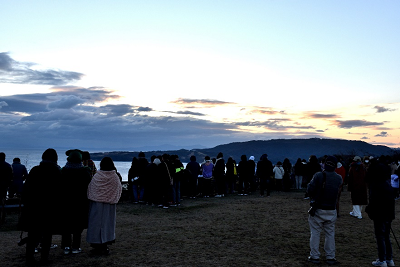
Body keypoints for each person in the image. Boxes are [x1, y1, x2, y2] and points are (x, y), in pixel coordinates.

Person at [21, 148, 62, 266]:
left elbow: (26, 189)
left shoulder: (35, 170)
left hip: (33, 207)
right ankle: (44, 258)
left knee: (33, 234)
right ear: (55, 159)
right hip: (50, 208)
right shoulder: (57, 172)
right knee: (47, 234)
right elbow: (60, 192)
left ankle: (29, 257)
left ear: (43, 158)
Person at [306, 156, 342, 265]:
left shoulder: (318, 176)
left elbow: (310, 190)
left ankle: (314, 256)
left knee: (315, 233)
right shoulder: (339, 178)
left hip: (318, 209)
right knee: (330, 234)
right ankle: (330, 257)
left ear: (324, 164)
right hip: (331, 209)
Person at [86, 157, 122, 255]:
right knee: (107, 224)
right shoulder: (114, 177)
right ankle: (105, 244)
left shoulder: (97, 176)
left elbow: (91, 189)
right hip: (109, 205)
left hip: (96, 204)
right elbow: (118, 189)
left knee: (95, 225)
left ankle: (96, 245)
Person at [366, 156, 395, 267]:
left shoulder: (375, 186)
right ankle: (389, 259)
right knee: (387, 236)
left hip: (379, 214)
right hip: (388, 214)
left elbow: (373, 201)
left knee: (380, 236)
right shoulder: (388, 185)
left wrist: (369, 210)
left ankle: (382, 260)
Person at [60, 149, 91, 255]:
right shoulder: (85, 172)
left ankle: (66, 246)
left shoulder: (63, 171)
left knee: (66, 225)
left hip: (65, 202)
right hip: (80, 203)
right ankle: (76, 247)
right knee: (78, 225)